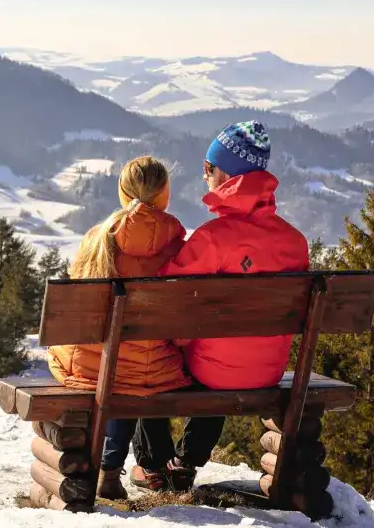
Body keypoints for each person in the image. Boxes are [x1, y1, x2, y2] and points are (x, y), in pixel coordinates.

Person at [128, 121, 311, 493]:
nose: (204, 175)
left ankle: (152, 463)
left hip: (213, 372)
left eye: (207, 168)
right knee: (223, 357)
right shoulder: (294, 242)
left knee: (155, 351)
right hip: (268, 370)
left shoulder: (212, 239)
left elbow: (163, 299)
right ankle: (186, 462)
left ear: (226, 175)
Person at [46, 155, 191, 500]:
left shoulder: (98, 239)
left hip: (98, 368)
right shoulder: (180, 246)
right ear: (165, 194)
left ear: (124, 194)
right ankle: (130, 468)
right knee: (135, 367)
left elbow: (78, 315)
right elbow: (184, 327)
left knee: (114, 367)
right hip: (157, 370)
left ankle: (107, 472)